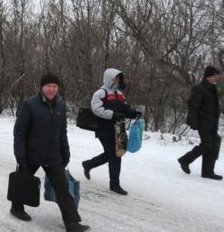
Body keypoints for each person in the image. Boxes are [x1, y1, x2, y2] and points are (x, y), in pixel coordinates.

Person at [11, 72, 90, 232]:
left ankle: (72, 223)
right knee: (22, 182)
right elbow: (19, 132)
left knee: (63, 188)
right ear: (42, 87)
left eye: (55, 86)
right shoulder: (29, 104)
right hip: (31, 154)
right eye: (48, 86)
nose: (51, 89)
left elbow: (62, 132)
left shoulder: (61, 105)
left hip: (53, 156)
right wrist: (21, 157)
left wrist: (65, 153)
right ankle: (16, 208)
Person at [81, 68, 141, 196]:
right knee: (115, 155)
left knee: (113, 154)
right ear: (109, 78)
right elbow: (96, 109)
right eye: (115, 78)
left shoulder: (119, 93)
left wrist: (133, 113)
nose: (117, 80)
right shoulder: (100, 93)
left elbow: (124, 109)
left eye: (119, 78)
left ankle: (88, 164)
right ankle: (114, 185)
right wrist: (113, 115)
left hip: (118, 129)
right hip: (104, 129)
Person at [178, 66, 223, 180]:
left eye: (217, 76)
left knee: (213, 145)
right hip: (203, 121)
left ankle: (208, 172)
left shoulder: (212, 89)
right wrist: (193, 121)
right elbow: (193, 105)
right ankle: (185, 160)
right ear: (208, 76)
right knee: (207, 145)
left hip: (212, 122)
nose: (216, 79)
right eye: (214, 76)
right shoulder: (199, 88)